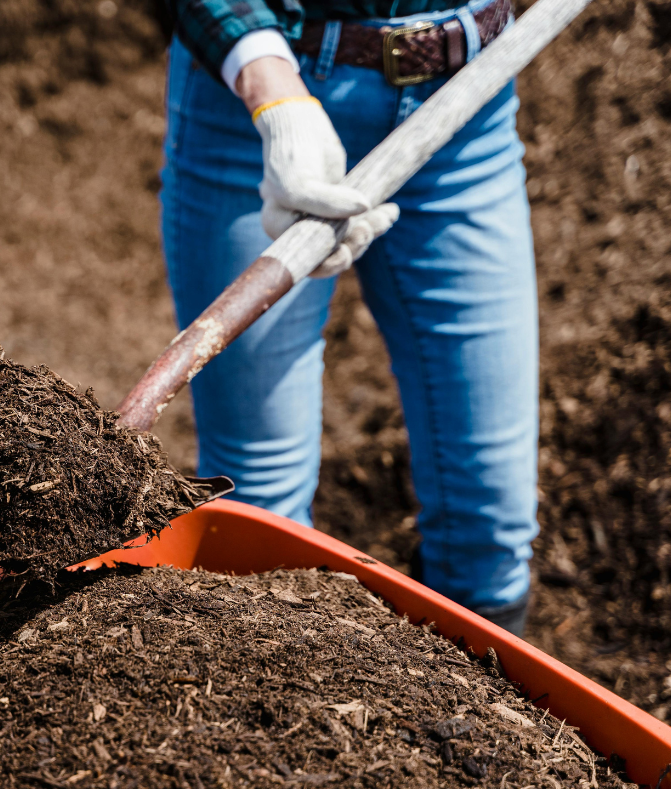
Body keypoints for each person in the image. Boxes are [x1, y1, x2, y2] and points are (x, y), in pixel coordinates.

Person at [161, 0, 536, 635]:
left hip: (467, 101)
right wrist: (274, 92)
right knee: (261, 509)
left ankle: (468, 725)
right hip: (262, 105)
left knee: (491, 523)